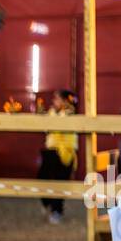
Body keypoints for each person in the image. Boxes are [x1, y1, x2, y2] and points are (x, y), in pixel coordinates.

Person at [37, 90, 78, 224]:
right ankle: (47, 202)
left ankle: (56, 210)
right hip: (51, 150)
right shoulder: (52, 112)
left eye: (57, 99)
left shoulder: (70, 113)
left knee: (60, 181)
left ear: (65, 101)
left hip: (66, 152)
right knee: (43, 177)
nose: (54, 102)